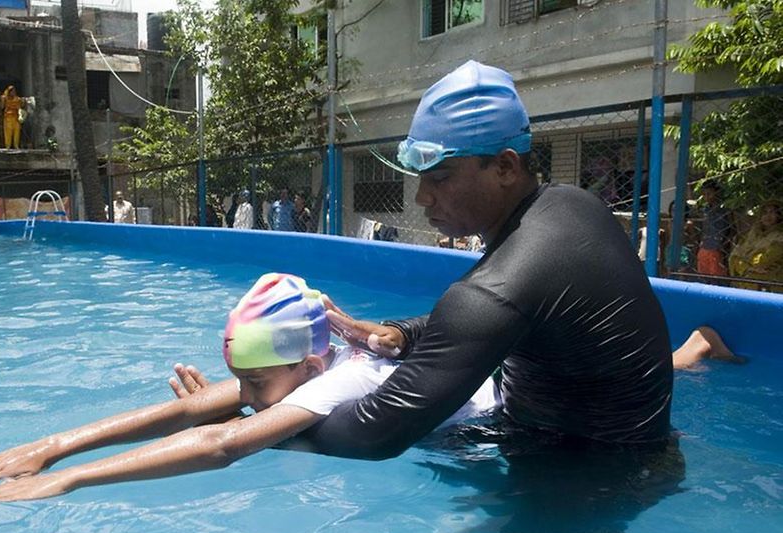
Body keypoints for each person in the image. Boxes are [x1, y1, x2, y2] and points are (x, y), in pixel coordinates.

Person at [248, 60, 677, 459]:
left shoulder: (499, 284)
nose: (422, 197)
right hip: (611, 445)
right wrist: (403, 333)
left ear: (505, 168)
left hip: (589, 482)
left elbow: (375, 432)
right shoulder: (575, 205)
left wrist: (255, 429)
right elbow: (514, 312)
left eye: (440, 177)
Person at [0, 273, 502, 501]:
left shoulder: (341, 379)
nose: (244, 390)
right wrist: (51, 447)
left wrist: (70, 479)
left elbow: (221, 445)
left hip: (485, 435)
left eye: (255, 381)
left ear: (311, 367)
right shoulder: (292, 370)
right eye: (242, 378)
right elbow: (185, 413)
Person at [728, 200, 783, 292]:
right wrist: (747, 267)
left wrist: (743, 262)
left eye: (772, 212)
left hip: (770, 286)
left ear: (780, 215)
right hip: (745, 285)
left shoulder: (779, 238)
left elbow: (762, 262)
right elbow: (733, 258)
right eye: (765, 212)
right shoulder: (750, 235)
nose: (768, 216)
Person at [695, 180, 733, 278]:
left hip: (718, 249)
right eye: (704, 194)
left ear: (716, 192)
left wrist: (724, 246)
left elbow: (732, 230)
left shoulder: (725, 210)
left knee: (716, 278)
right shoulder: (704, 210)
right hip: (704, 247)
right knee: (703, 277)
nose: (706, 197)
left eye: (709, 193)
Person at [1, 85, 23, 149]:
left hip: (16, 117)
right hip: (8, 117)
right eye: (12, 91)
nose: (13, 92)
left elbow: (19, 108)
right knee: (8, 132)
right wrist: (3, 99)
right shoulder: (5, 98)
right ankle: (8, 146)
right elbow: (2, 107)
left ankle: (16, 145)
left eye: (14, 91)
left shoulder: (18, 99)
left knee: (17, 132)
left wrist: (20, 115)